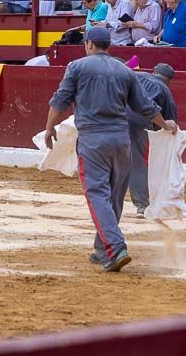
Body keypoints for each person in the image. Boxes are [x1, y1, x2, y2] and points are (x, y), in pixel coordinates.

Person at [44, 27, 177, 273]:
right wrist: (165, 124)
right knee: (115, 196)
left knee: (97, 194)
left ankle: (115, 248)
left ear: (90, 44)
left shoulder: (77, 67)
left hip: (93, 140)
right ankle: (101, 248)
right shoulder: (125, 71)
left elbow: (60, 99)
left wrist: (49, 127)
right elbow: (146, 107)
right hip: (121, 140)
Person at [128, 64, 179, 218]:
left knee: (110, 159)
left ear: (154, 71)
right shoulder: (165, 91)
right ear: (169, 81)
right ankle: (142, 205)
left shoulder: (137, 75)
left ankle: (104, 199)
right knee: (137, 162)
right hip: (138, 123)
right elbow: (170, 125)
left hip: (111, 115)